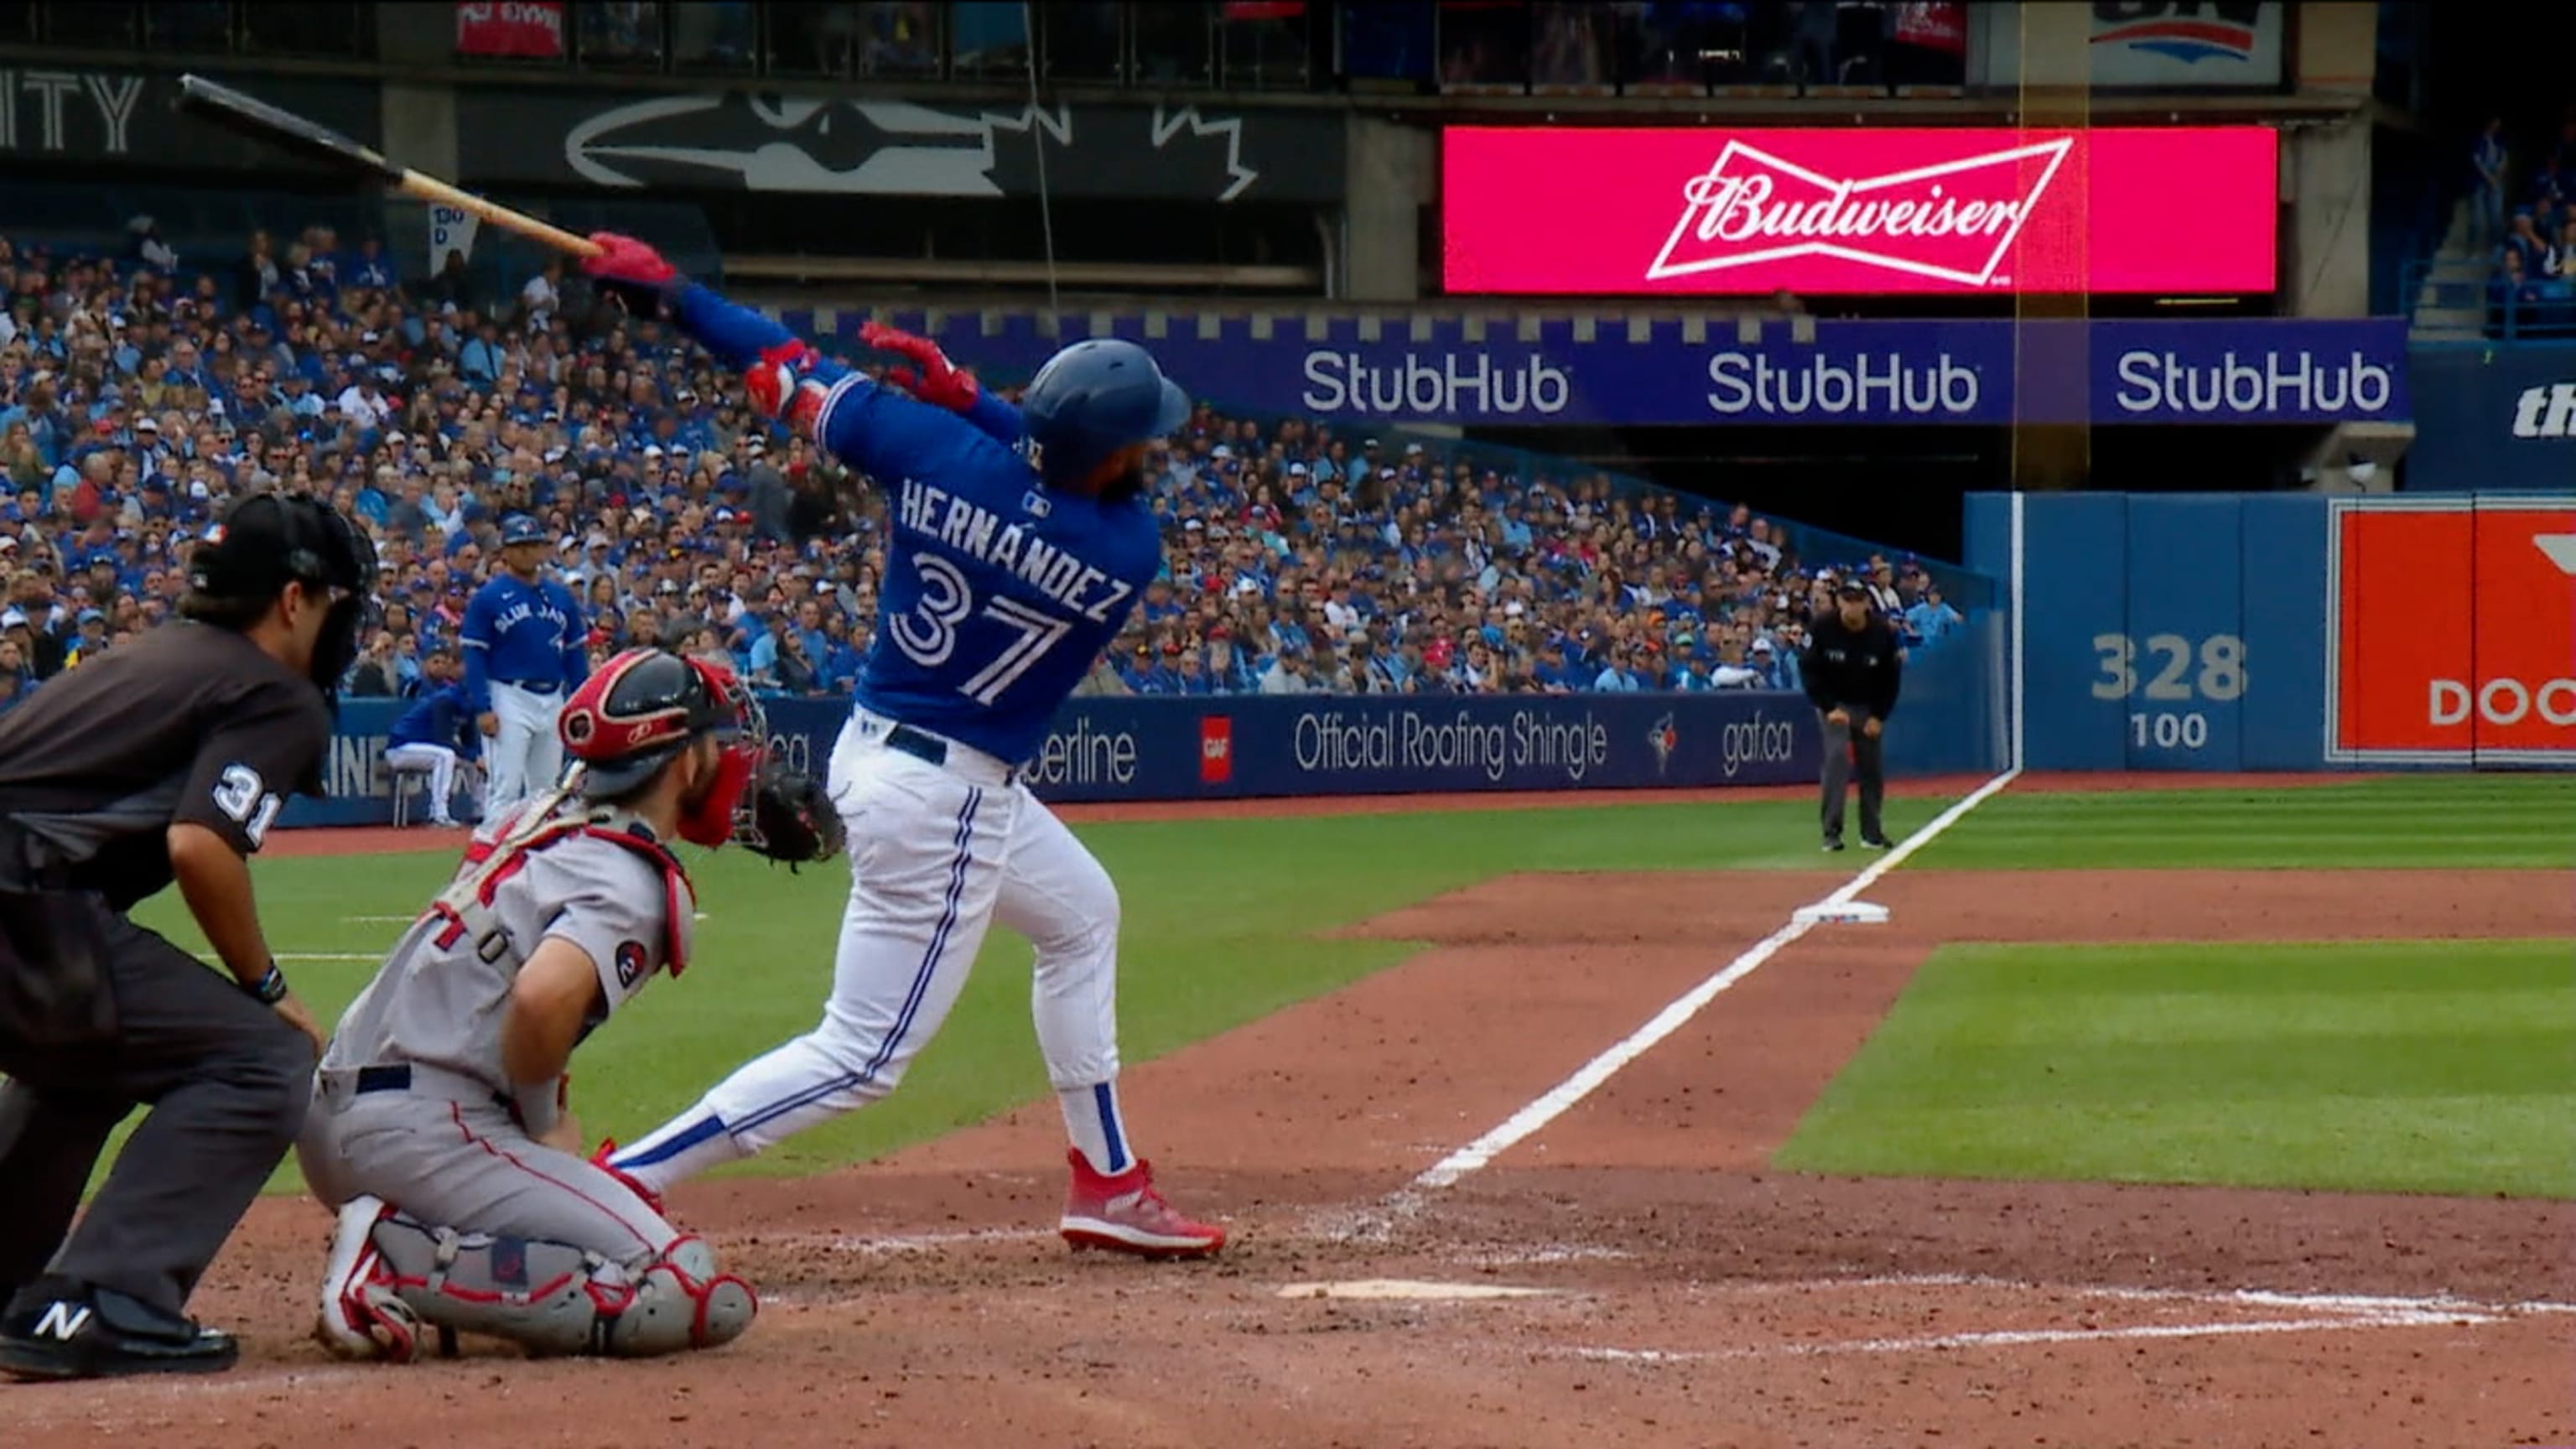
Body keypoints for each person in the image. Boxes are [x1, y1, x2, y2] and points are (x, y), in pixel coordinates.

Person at [579, 236, 1226, 1258]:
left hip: (882, 748)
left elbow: (785, 363)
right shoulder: (1121, 550)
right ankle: (616, 1183)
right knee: (864, 1054)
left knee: (1081, 917)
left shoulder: (924, 447)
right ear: (1105, 453)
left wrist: (672, 296)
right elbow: (1074, 483)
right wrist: (976, 400)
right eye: (1143, 439)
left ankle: (1106, 1181)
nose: (1154, 452)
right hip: (948, 798)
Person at [299, 648, 831, 1363]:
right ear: (684, 763)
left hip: (337, 1112)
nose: (733, 756)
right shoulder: (629, 877)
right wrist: (545, 1120)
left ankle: (433, 1251)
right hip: (422, 1134)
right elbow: (543, 995)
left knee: (596, 1222)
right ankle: (396, 1261)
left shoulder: (530, 819)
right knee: (686, 1287)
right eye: (719, 739)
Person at [0, 491, 376, 1379]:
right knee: (259, 1059)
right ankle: (103, 1299)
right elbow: (201, 843)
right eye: (332, 604)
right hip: (21, 898)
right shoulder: (273, 691)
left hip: (26, 901)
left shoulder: (151, 655)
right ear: (294, 600)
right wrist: (269, 991)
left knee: (88, 1055)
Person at [462, 513, 587, 818]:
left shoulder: (560, 596)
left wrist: (582, 702)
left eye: (534, 545)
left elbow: (575, 654)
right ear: (505, 551)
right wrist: (482, 706)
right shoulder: (488, 597)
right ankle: (491, 861)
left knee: (546, 792)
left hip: (553, 695)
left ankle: (537, 860)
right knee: (505, 788)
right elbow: (474, 655)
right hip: (509, 694)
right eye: (520, 546)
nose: (528, 552)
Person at [1801, 579, 1903, 853]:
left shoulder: (1882, 633)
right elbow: (1809, 671)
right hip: (1834, 705)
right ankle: (1831, 832)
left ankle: (1871, 833)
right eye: (1847, 600)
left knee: (1872, 769)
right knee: (1836, 762)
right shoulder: (1822, 627)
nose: (1852, 606)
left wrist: (1879, 716)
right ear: (1839, 602)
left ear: (1867, 603)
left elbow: (1890, 680)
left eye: (1858, 600)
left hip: (1868, 705)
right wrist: (1828, 707)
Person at [383, 650, 480, 828]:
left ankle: (481, 811)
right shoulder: (446, 699)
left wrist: (476, 757)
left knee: (472, 761)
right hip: (401, 748)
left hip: (425, 749)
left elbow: (469, 741)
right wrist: (472, 756)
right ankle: (438, 814)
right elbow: (442, 739)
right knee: (446, 756)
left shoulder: (470, 704)